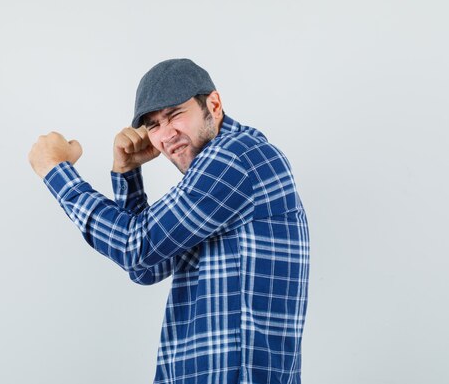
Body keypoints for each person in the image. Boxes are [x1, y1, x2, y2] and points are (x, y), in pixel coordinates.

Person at [28, 58, 310, 384]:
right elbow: (146, 267)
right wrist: (127, 172)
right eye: (153, 125)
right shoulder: (219, 175)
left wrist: (55, 170)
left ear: (214, 105)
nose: (166, 135)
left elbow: (135, 246)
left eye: (175, 114)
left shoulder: (235, 157)